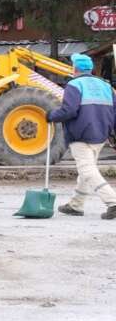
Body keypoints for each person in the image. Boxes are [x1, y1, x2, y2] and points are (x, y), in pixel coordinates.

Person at [48, 53, 116, 219]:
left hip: (81, 134)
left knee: (87, 169)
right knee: (87, 169)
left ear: (74, 68)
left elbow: (69, 111)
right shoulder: (106, 86)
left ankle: (112, 202)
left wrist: (50, 115)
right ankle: (76, 205)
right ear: (91, 68)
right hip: (101, 133)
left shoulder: (74, 85)